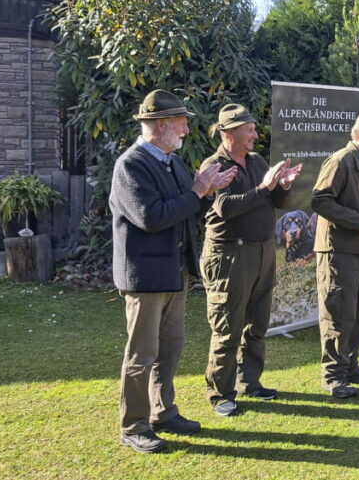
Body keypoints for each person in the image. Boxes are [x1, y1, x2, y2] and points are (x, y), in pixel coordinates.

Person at [110, 89, 236, 453]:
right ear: (161, 125)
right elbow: (151, 218)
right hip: (146, 277)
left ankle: (163, 412)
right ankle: (134, 425)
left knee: (170, 347)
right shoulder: (131, 165)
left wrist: (208, 189)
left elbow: (185, 208)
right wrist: (198, 190)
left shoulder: (171, 161)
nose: (185, 129)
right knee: (142, 353)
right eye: (181, 123)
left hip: (174, 272)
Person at [199, 103, 302, 417]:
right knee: (228, 326)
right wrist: (264, 186)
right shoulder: (214, 165)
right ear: (230, 132)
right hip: (230, 254)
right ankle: (221, 395)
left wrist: (283, 186)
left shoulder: (256, 161)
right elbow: (225, 208)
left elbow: (277, 202)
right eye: (250, 130)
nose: (256, 135)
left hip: (262, 251)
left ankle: (250, 383)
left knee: (257, 324)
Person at [311, 112, 359, 398]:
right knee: (338, 313)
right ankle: (333, 376)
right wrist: (358, 222)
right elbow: (320, 200)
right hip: (338, 251)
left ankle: (350, 365)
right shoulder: (341, 160)